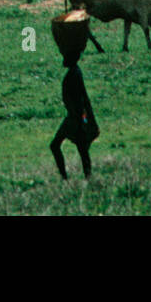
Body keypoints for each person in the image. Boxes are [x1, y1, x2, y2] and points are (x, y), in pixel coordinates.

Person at [49, 10, 100, 179]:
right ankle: (86, 177)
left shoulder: (74, 74)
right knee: (81, 148)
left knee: (59, 146)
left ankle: (70, 177)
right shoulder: (74, 72)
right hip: (76, 117)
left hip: (75, 118)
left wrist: (83, 119)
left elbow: (80, 100)